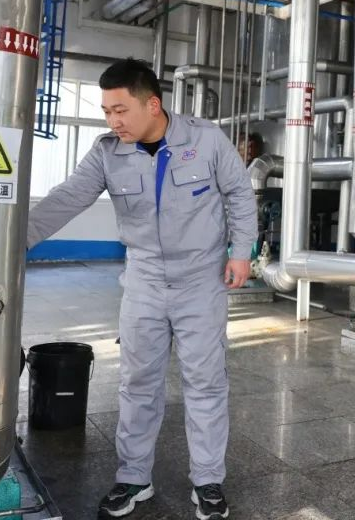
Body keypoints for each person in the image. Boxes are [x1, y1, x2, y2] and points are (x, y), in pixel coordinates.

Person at [27, 58, 257, 520]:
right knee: (137, 383)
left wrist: (242, 250)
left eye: (120, 110)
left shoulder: (206, 140)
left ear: (152, 104)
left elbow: (239, 192)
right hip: (144, 281)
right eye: (106, 111)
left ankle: (208, 481)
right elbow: (69, 197)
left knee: (206, 383)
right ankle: (133, 477)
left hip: (201, 280)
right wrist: (13, 242)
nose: (112, 121)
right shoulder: (107, 152)